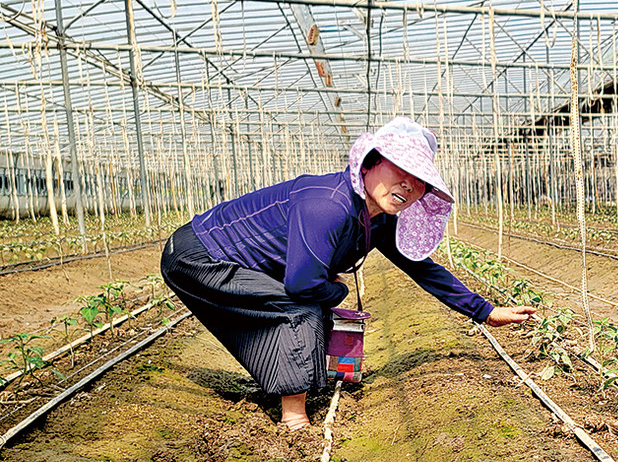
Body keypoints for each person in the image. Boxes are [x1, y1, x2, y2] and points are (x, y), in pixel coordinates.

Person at [160, 117, 533, 429]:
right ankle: (293, 417)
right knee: (300, 307)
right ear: (369, 164)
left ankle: (295, 384)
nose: (408, 184)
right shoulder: (328, 204)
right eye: (400, 170)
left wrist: (484, 311)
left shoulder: (379, 220)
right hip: (199, 256)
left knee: (307, 304)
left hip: (226, 260)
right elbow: (302, 283)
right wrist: (336, 292)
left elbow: (421, 268)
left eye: (419, 180)